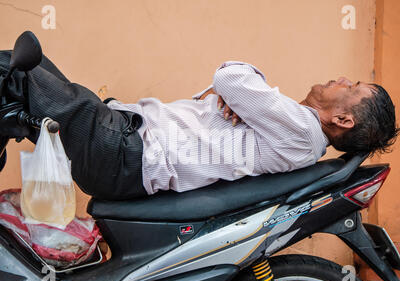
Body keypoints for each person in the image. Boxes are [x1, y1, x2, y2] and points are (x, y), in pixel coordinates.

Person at [0, 53, 398, 201]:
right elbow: (216, 98)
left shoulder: (300, 129)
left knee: (11, 70)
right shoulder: (293, 129)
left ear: (343, 119)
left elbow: (229, 76)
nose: (342, 78)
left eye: (352, 87)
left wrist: (238, 87)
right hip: (123, 140)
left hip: (124, 151)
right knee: (18, 95)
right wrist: (236, 95)